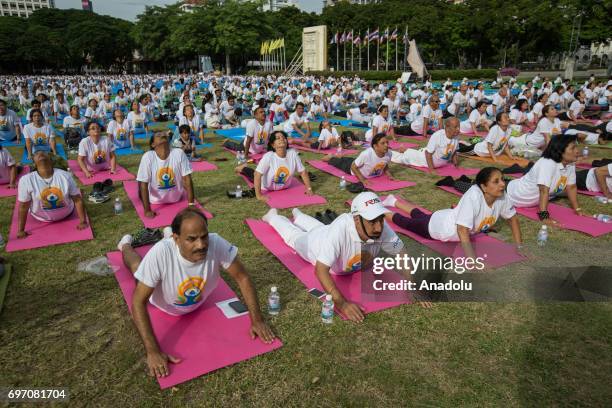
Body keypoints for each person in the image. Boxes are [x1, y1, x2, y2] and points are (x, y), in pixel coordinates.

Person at [117, 207, 275, 378]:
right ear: (177, 239)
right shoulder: (160, 253)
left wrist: (257, 320)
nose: (201, 245)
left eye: (203, 236)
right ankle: (125, 245)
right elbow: (138, 302)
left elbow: (242, 277)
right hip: (164, 306)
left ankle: (168, 231)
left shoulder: (215, 242)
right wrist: (153, 351)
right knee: (136, 267)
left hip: (199, 301)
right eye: (191, 239)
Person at [262, 192, 431, 322]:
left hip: (326, 232)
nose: (379, 227)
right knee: (294, 236)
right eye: (372, 221)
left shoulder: (380, 226)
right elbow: (320, 270)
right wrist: (342, 303)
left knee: (321, 227)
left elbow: (401, 253)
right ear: (357, 220)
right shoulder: (341, 229)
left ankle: (299, 215)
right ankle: (274, 217)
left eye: (380, 219)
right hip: (314, 244)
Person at [386, 167, 523, 259]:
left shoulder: (501, 196)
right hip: (437, 228)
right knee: (406, 222)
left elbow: (513, 220)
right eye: (496, 181)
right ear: (483, 187)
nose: (502, 184)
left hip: (443, 216)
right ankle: (382, 212)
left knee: (420, 216)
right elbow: (462, 229)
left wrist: (519, 247)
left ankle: (394, 201)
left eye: (502, 179)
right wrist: (472, 261)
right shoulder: (473, 196)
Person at [506, 134, 582, 227]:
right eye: (573, 148)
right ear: (560, 150)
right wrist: (544, 217)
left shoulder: (570, 164)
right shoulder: (547, 163)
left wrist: (577, 209)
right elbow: (543, 190)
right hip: (511, 193)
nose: (577, 151)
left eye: (576, 147)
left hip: (529, 198)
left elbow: (572, 187)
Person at [17, 150, 88, 237]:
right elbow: (23, 206)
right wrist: (21, 230)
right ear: (34, 163)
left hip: (67, 214)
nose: (41, 153)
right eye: (36, 154)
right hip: (40, 218)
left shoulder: (65, 176)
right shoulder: (26, 180)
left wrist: (83, 221)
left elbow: (77, 200)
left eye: (44, 153)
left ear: (51, 160)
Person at [236, 131, 313, 201]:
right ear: (273, 145)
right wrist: (259, 196)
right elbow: (257, 175)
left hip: (284, 186)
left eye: (283, 137)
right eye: (278, 138)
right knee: (252, 173)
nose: (282, 139)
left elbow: (303, 172)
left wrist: (309, 188)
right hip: (265, 184)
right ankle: (242, 168)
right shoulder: (269, 156)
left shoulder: (292, 153)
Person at [136, 131, 195, 218]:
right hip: (154, 200)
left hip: (176, 198)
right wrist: (147, 210)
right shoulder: (148, 156)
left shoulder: (179, 153)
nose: (163, 135)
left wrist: (191, 204)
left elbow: (187, 179)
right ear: (153, 144)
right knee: (140, 182)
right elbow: (143, 184)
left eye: (164, 134)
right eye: (158, 135)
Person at [390, 117, 461, 175]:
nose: (458, 129)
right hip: (423, 159)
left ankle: (404, 150)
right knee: (403, 158)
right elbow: (428, 153)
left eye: (458, 127)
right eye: (455, 127)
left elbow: (454, 151)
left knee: (416, 152)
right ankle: (390, 153)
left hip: (427, 154)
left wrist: (455, 163)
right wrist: (431, 169)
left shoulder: (456, 137)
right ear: (447, 127)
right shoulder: (438, 135)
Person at [323, 132, 394, 188]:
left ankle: (340, 157)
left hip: (358, 162)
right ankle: (330, 157)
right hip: (350, 167)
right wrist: (363, 180)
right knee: (334, 161)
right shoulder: (366, 154)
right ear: (375, 146)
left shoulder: (389, 153)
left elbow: (385, 163)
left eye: (387, 142)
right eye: (383, 143)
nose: (386, 145)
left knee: (351, 160)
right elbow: (353, 167)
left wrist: (389, 175)